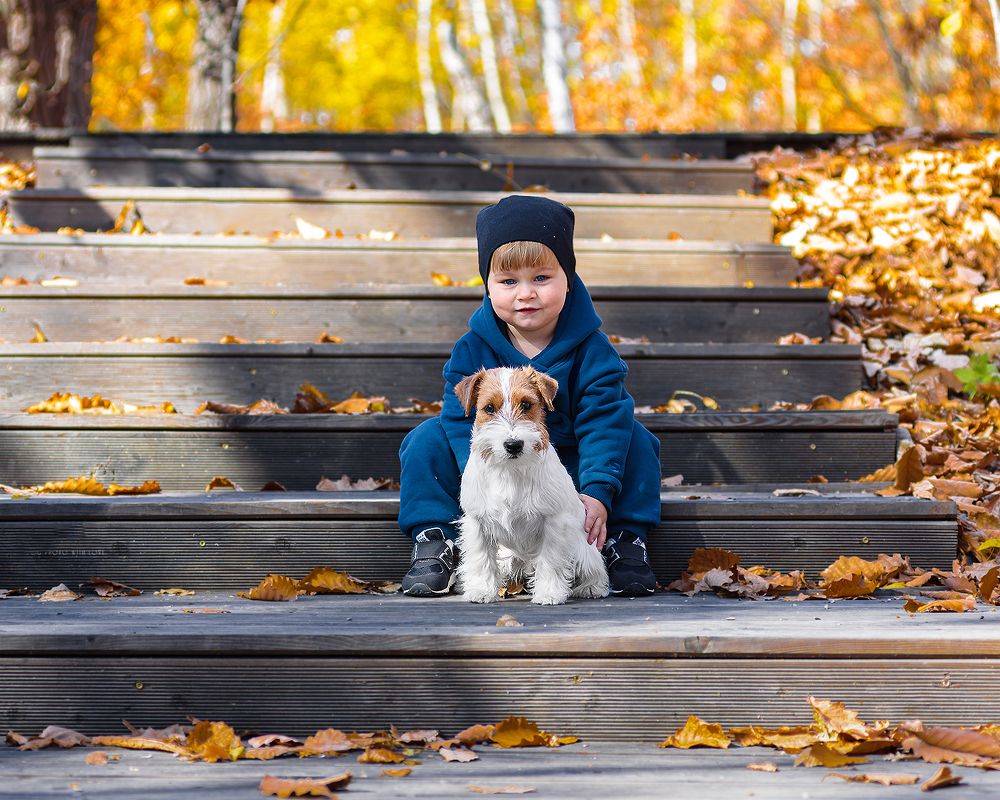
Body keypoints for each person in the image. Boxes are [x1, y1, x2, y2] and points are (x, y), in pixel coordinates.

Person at [397, 194, 661, 598]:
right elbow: (457, 418)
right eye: (508, 281)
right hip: (491, 466)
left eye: (541, 278)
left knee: (635, 437)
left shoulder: (593, 350)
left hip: (566, 464)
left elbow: (603, 420)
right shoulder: (472, 349)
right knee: (425, 439)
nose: (525, 294)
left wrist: (596, 491)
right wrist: (482, 476)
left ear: (568, 280)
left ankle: (623, 539)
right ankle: (434, 539)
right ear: (487, 287)